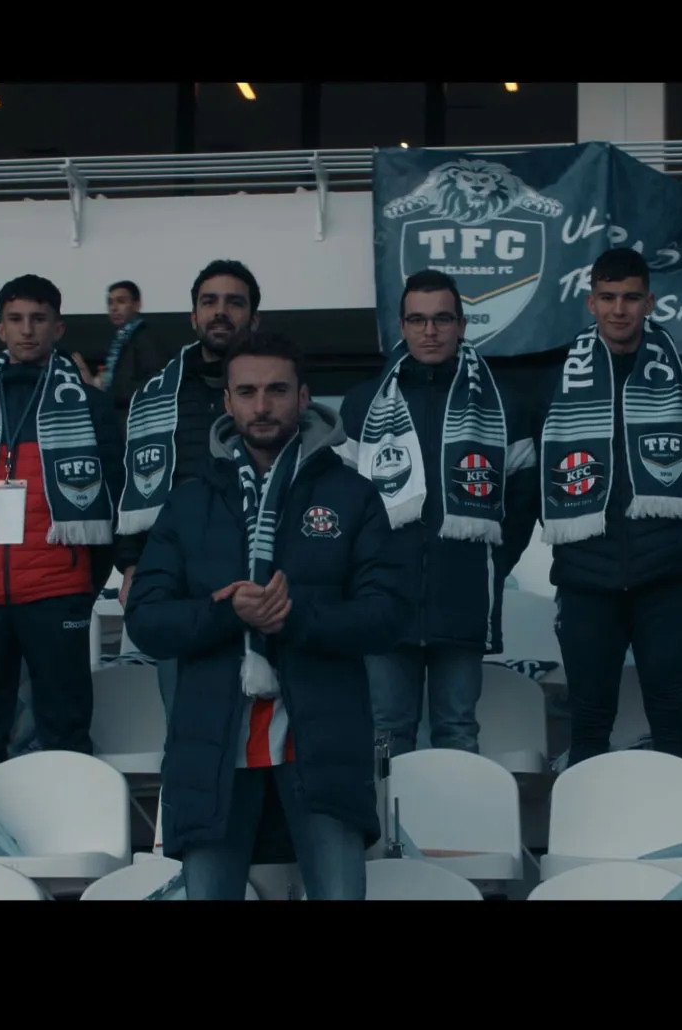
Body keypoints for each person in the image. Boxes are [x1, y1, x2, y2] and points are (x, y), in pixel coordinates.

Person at [125, 329, 410, 900]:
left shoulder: (352, 495)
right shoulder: (190, 499)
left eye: (277, 390)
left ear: (304, 398)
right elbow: (147, 620)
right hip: (214, 743)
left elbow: (387, 615)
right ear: (226, 402)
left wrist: (294, 616)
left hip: (321, 741)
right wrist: (226, 612)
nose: (261, 405)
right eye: (247, 391)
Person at [0, 274, 125, 783]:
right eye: (16, 320)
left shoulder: (91, 404)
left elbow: (112, 502)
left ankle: (69, 834)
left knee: (66, 729)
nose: (27, 330)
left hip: (57, 592)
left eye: (38, 319)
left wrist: (78, 585)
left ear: (58, 327)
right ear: (0, 329)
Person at [337, 269, 539, 757]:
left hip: (463, 596)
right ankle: (388, 837)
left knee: (457, 731)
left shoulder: (505, 403)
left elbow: (523, 504)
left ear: (462, 325)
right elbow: (342, 503)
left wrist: (487, 566)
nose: (430, 331)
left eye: (442, 319)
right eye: (418, 320)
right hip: (383, 598)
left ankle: (456, 836)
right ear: (401, 326)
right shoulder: (363, 403)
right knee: (386, 732)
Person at [539, 247, 682, 767]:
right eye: (609, 297)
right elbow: (535, 483)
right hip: (585, 581)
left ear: (650, 303)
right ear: (590, 303)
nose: (620, 309)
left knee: (671, 719)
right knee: (589, 723)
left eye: (631, 298)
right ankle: (591, 839)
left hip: (668, 580)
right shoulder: (553, 378)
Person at [114, 260, 260, 706]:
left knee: (268, 729)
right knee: (185, 719)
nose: (221, 312)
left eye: (234, 302)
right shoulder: (156, 395)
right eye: (209, 302)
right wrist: (131, 564)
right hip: (179, 580)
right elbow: (131, 480)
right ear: (193, 316)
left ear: (254, 319)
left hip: (262, 571)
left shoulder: (278, 389)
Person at [74, 280, 180, 408]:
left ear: (137, 305)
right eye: (110, 302)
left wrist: (102, 391)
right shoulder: (119, 339)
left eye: (121, 301)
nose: (113, 308)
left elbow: (153, 385)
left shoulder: (146, 339)